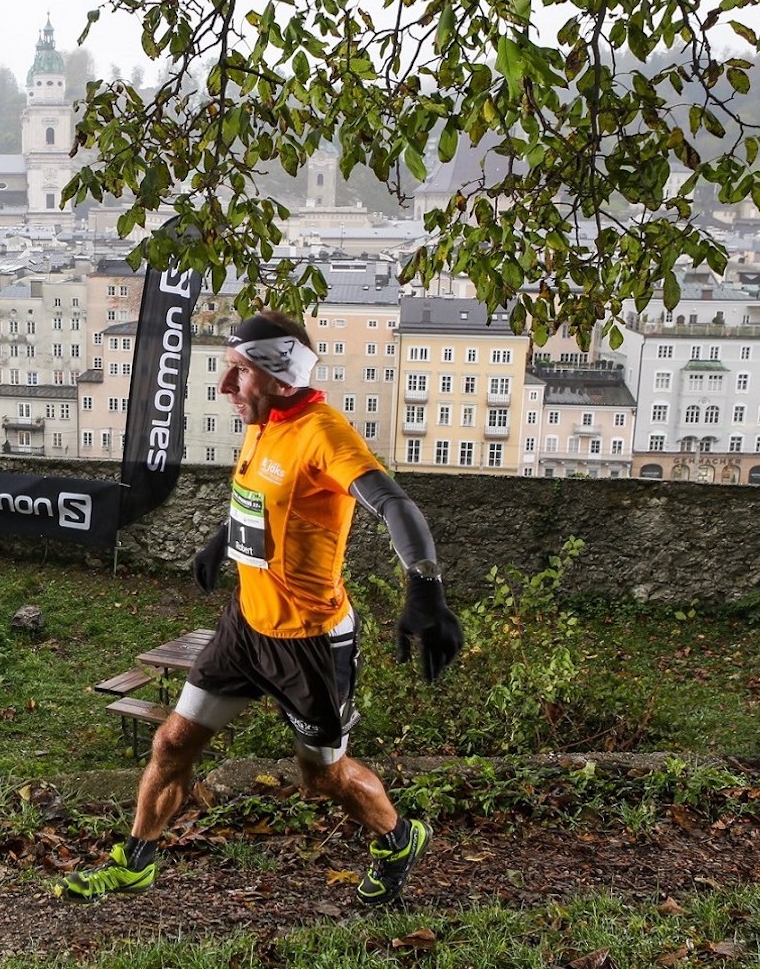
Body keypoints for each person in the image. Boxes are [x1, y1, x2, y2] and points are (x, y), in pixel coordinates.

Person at [54, 311, 464, 908]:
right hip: (245, 625)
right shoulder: (264, 421)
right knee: (171, 743)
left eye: (238, 372)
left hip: (309, 641)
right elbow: (261, 496)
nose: (225, 386)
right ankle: (136, 860)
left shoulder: (323, 434)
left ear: (279, 375)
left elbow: (395, 505)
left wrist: (425, 588)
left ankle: (399, 838)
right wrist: (222, 542)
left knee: (323, 779)